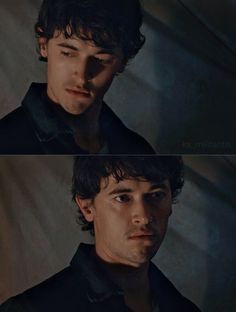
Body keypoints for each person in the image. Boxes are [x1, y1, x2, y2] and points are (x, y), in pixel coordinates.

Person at [0, 156, 201, 312]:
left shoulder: (182, 307)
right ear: (88, 208)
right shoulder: (32, 308)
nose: (144, 216)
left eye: (156, 195)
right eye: (123, 198)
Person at [0, 0, 154, 154]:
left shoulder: (138, 149)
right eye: (67, 53)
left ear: (122, 61)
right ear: (44, 46)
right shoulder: (6, 141)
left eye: (101, 60)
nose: (81, 77)